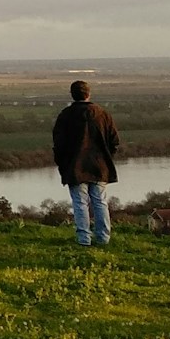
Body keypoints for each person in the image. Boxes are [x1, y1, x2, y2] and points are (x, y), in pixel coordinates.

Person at [52, 79, 119, 246]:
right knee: (100, 201)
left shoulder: (66, 115)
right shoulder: (103, 114)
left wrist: (63, 164)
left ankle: (84, 239)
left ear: (72, 95)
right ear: (89, 94)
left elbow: (59, 144)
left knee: (80, 203)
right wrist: (105, 158)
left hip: (75, 166)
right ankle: (103, 238)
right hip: (99, 165)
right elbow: (114, 141)